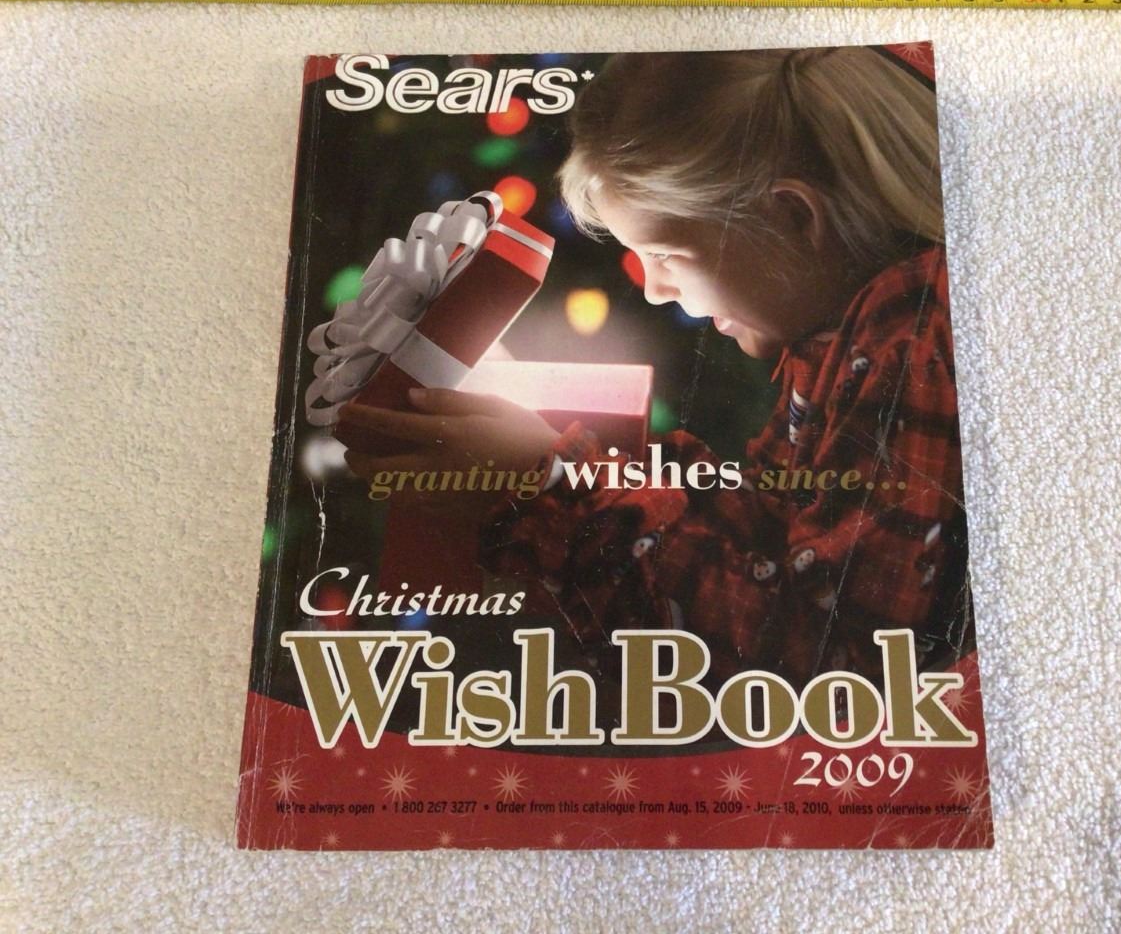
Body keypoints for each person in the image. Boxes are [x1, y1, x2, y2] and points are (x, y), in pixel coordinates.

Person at [340, 47, 971, 697]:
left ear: (794, 216)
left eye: (665, 254)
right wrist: (573, 467)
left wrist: (549, 487)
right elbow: (770, 539)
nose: (654, 289)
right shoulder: (858, 336)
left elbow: (833, 675)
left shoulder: (910, 341)